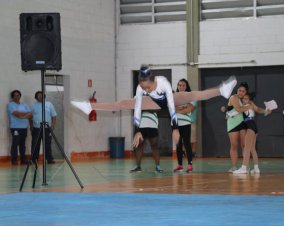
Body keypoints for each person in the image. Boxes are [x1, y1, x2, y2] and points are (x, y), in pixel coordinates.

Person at [71, 65, 238, 145]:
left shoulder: (163, 83)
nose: (144, 88)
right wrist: (138, 131)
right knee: (123, 103)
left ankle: (221, 90)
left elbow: (171, 106)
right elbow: (136, 109)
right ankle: (90, 106)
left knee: (192, 95)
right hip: (154, 103)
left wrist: (174, 128)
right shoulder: (140, 87)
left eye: (147, 86)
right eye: (142, 86)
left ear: (153, 81)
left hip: (169, 100)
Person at [233, 93, 272, 174]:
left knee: (247, 147)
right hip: (254, 127)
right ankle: (256, 168)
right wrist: (266, 111)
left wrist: (228, 113)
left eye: (246, 98)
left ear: (249, 100)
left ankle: (243, 168)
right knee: (252, 148)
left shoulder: (245, 106)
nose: (244, 100)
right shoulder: (250, 106)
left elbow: (237, 111)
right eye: (243, 99)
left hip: (250, 126)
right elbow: (258, 109)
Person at [224, 82, 253, 172]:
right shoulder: (233, 97)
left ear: (246, 93)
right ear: (237, 90)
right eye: (239, 90)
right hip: (232, 124)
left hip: (242, 123)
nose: (241, 92)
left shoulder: (244, 100)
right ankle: (234, 166)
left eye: (243, 91)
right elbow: (239, 109)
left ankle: (245, 166)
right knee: (234, 146)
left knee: (244, 145)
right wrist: (250, 107)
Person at [173, 79, 195, 173]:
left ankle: (190, 164)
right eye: (179, 85)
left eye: (183, 85)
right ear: (177, 86)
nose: (181, 87)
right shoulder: (174, 97)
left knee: (187, 144)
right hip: (175, 124)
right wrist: (182, 108)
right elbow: (170, 109)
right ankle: (180, 165)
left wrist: (177, 109)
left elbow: (189, 109)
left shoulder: (189, 97)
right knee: (178, 145)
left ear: (186, 87)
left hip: (186, 123)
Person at [30, 91, 57, 164]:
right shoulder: (33, 105)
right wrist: (31, 126)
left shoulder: (49, 104)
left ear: (44, 96)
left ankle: (49, 159)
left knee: (47, 144)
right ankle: (33, 159)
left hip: (47, 128)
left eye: (41, 95)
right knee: (35, 144)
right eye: (38, 95)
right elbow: (30, 117)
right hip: (36, 128)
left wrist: (53, 125)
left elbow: (54, 116)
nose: (40, 97)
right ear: (36, 97)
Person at [7, 90, 32, 165]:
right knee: (15, 144)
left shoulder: (24, 105)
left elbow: (30, 115)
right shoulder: (10, 105)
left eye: (18, 95)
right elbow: (16, 114)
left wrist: (22, 115)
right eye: (15, 95)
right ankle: (14, 160)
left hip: (24, 127)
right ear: (12, 97)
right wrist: (26, 114)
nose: (17, 97)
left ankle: (23, 160)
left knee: (22, 144)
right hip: (15, 128)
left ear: (20, 96)